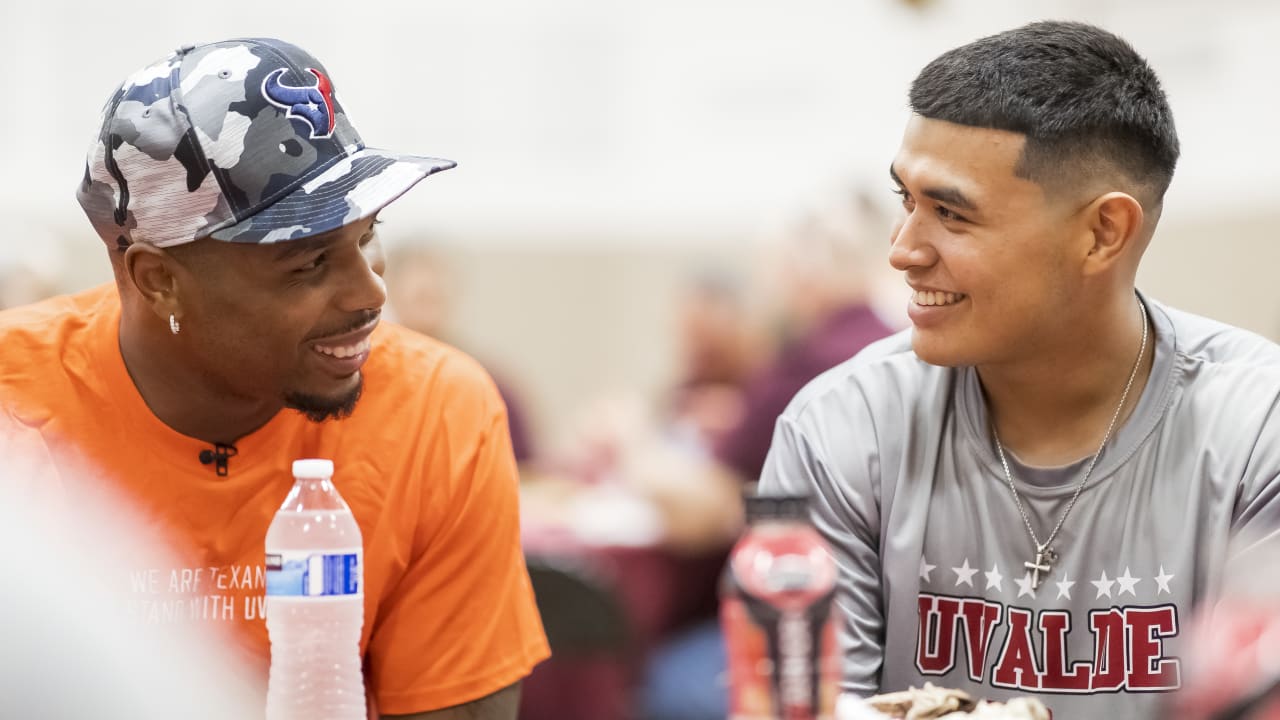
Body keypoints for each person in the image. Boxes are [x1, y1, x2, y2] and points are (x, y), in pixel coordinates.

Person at [0, 38, 548, 719]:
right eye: (310, 263)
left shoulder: (436, 414)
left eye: (368, 234)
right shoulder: (14, 410)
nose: (371, 293)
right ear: (160, 280)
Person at [759, 20, 1280, 720]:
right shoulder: (842, 427)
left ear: (1103, 233)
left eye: (950, 213)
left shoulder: (1257, 431)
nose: (902, 251)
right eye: (905, 201)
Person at [638, 192, 897, 720]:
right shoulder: (895, 348)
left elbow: (704, 511)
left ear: (803, 273)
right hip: (899, 620)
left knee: (658, 679)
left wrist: (632, 448)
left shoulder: (806, 369)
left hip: (818, 623)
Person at [383, 243, 537, 464]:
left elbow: (526, 468)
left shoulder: (487, 381)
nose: (428, 312)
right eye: (421, 297)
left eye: (436, 296)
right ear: (390, 296)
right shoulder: (375, 382)